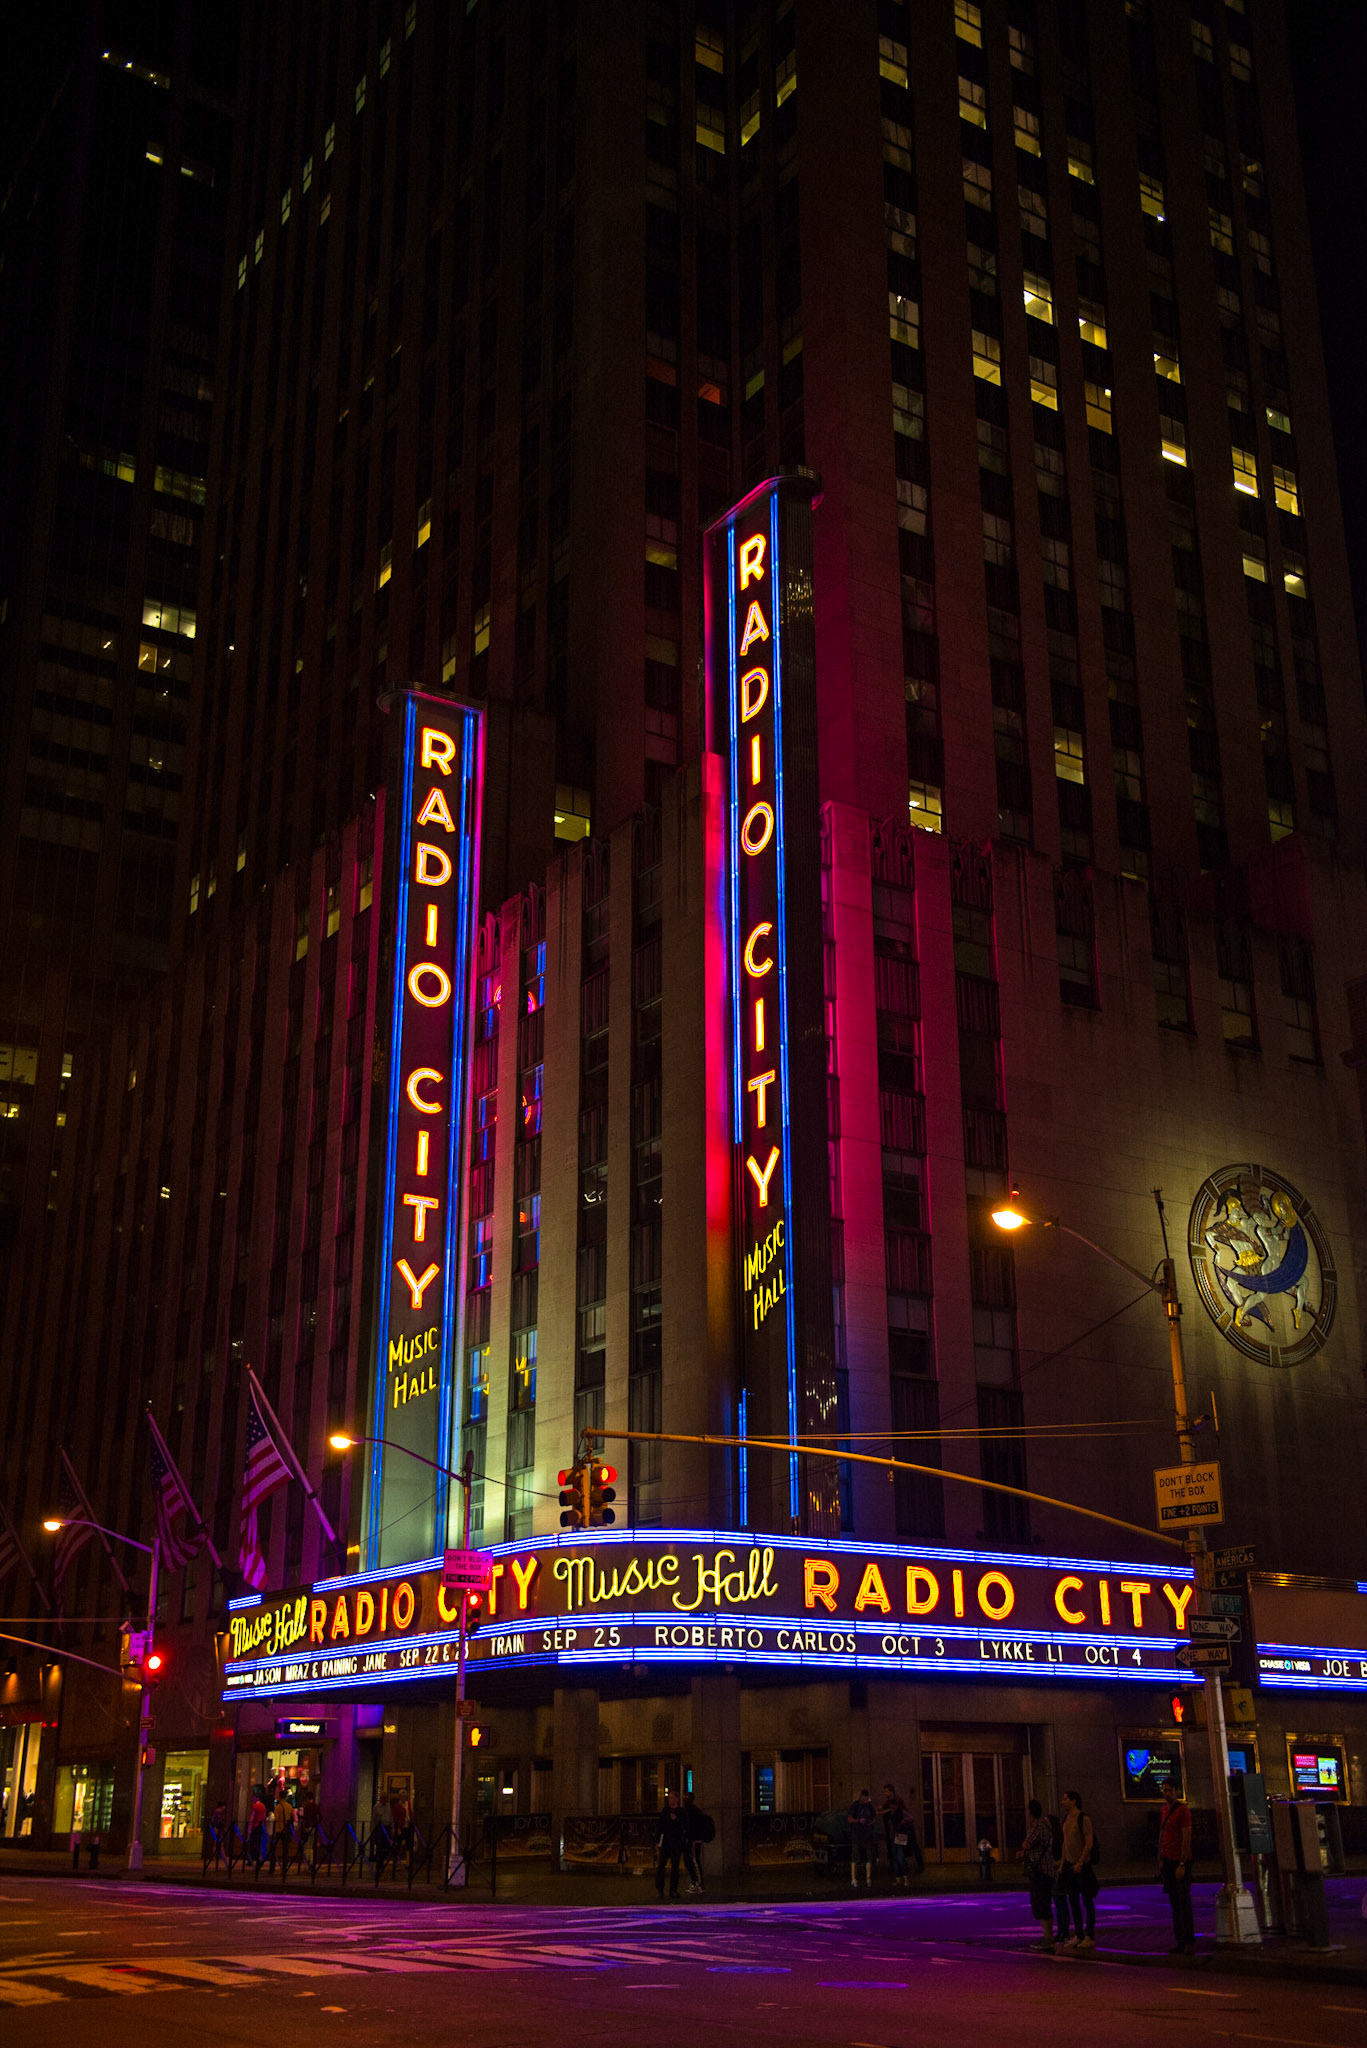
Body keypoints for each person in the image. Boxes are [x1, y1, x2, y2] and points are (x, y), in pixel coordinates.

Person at [1158, 1778, 1195, 1956]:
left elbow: (1186, 1837)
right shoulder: (1164, 1809)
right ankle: (1179, 1940)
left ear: (1176, 1791)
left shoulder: (1183, 1811)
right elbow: (1163, 1832)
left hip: (1180, 1861)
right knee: (1174, 1902)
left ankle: (1189, 1941)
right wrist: (1160, 1856)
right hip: (1168, 1859)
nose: (1166, 1794)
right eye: (1164, 1790)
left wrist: (1182, 1863)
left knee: (1183, 1902)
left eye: (1169, 1790)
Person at [1056, 1789, 1096, 1949]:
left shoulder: (1083, 1818)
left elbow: (1089, 1842)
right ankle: (1079, 1935)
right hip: (1069, 1866)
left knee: (1087, 1901)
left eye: (1065, 1799)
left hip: (1082, 1866)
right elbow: (1065, 1843)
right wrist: (1062, 1864)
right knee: (1073, 1901)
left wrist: (1081, 1861)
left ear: (1074, 1801)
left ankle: (1089, 1936)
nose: (1062, 1802)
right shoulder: (1066, 1819)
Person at [1020, 1799, 1057, 1951]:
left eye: (1027, 1809)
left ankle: (1048, 1937)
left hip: (1040, 1870)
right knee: (1043, 1902)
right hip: (1046, 1870)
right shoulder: (1045, 1826)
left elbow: (1027, 1843)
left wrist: (1024, 1848)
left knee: (1041, 1903)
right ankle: (1047, 1936)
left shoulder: (1037, 1826)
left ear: (1031, 1811)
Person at [878, 1783, 918, 1888]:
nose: (884, 1793)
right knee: (895, 1857)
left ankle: (904, 1878)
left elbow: (900, 1813)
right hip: (894, 1832)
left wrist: (886, 1810)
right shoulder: (891, 1803)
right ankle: (900, 1879)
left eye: (886, 1791)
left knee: (899, 1856)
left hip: (899, 1832)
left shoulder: (897, 1802)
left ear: (891, 1791)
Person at [655, 1791, 689, 1899]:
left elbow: (685, 1826)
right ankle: (660, 1889)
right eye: (669, 1798)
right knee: (661, 1866)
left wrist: (676, 1820)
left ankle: (673, 1889)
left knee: (675, 1867)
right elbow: (660, 1826)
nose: (670, 1800)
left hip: (676, 1843)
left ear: (677, 1799)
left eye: (672, 1798)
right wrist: (657, 1841)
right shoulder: (665, 1811)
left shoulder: (681, 1812)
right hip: (666, 1842)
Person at [680, 1790, 713, 1893]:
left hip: (693, 1840)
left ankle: (699, 1883)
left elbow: (691, 1826)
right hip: (692, 1839)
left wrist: (689, 1836)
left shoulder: (691, 1811)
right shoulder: (692, 1810)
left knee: (693, 1860)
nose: (685, 1799)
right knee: (690, 1860)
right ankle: (696, 1882)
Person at [847, 1788, 877, 1889]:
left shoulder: (869, 1806)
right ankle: (853, 1878)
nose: (865, 1800)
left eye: (866, 1798)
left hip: (867, 1834)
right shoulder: (855, 1806)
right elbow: (849, 1819)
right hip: (857, 1833)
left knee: (868, 1856)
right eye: (864, 1798)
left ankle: (868, 1878)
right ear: (860, 1796)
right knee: (855, 1855)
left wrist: (870, 1822)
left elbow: (874, 1819)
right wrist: (858, 1821)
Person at [270, 1785, 296, 1872]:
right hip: (286, 1829)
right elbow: (292, 1817)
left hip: (279, 1829)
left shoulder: (277, 1807)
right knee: (285, 1849)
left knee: (274, 1848)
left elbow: (276, 1818)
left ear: (279, 1796)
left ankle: (272, 1866)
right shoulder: (289, 1806)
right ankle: (285, 1866)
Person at [247, 1787, 269, 1867]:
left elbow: (252, 1817)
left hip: (255, 1826)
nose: (252, 1798)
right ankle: (259, 1858)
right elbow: (264, 1817)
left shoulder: (255, 1806)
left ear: (256, 1798)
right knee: (259, 1843)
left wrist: (249, 1828)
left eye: (253, 1797)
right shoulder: (263, 1806)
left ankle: (251, 1859)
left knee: (252, 1843)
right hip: (261, 1826)